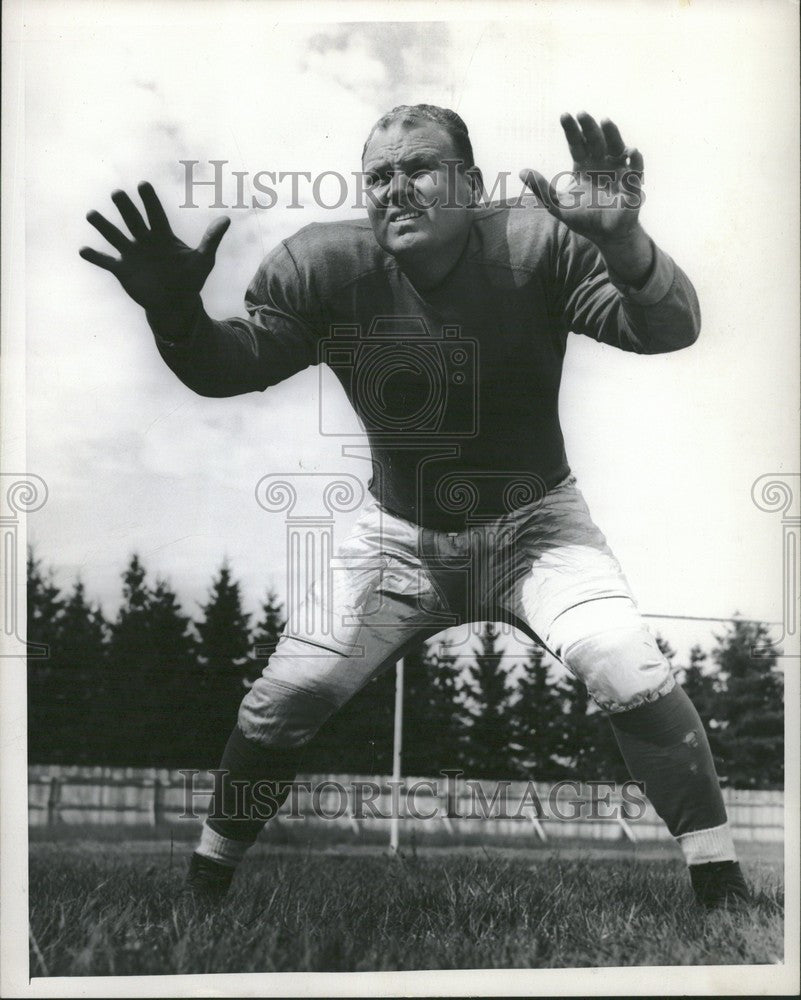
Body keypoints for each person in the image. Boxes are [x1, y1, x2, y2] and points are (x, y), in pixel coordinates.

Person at [80, 105, 749, 909]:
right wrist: (174, 315)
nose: (394, 189)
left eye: (419, 169)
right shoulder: (324, 266)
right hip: (396, 540)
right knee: (288, 693)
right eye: (378, 176)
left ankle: (721, 886)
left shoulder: (537, 242)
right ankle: (204, 882)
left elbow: (669, 328)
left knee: (624, 665)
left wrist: (622, 243)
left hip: (537, 525)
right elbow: (228, 368)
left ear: (470, 184)